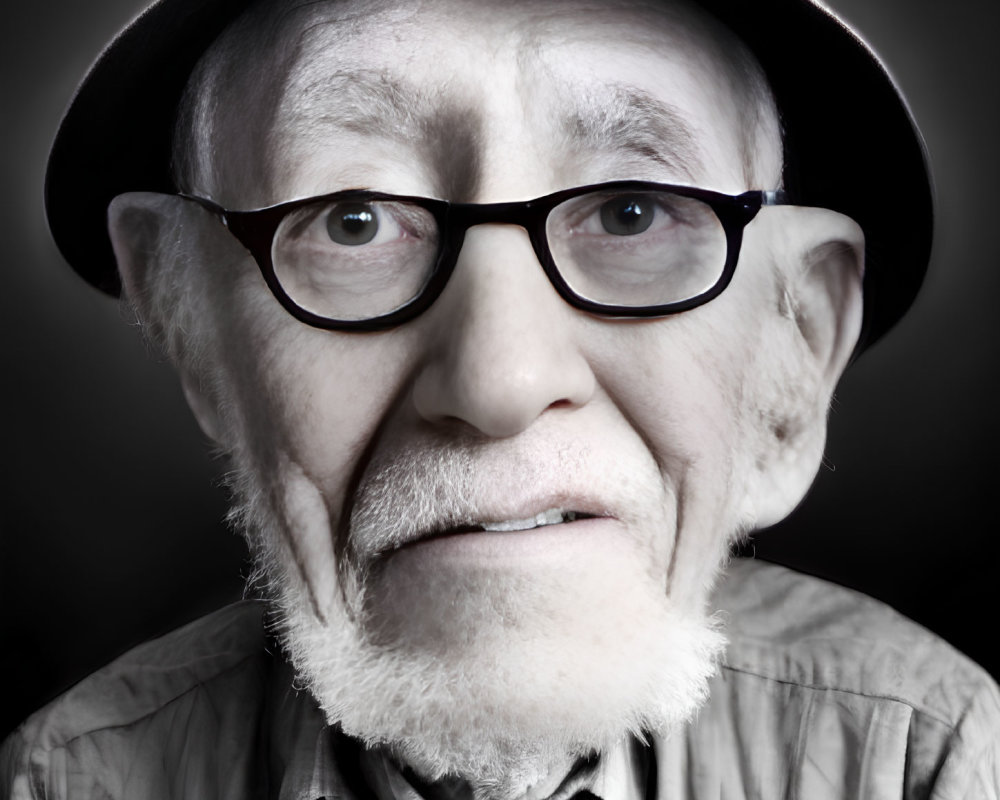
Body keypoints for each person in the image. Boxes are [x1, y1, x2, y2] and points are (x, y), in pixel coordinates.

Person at [2, 0, 998, 797]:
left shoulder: (923, 753)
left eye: (631, 211)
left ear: (795, 355)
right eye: (352, 220)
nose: (499, 382)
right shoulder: (78, 777)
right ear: (196, 332)